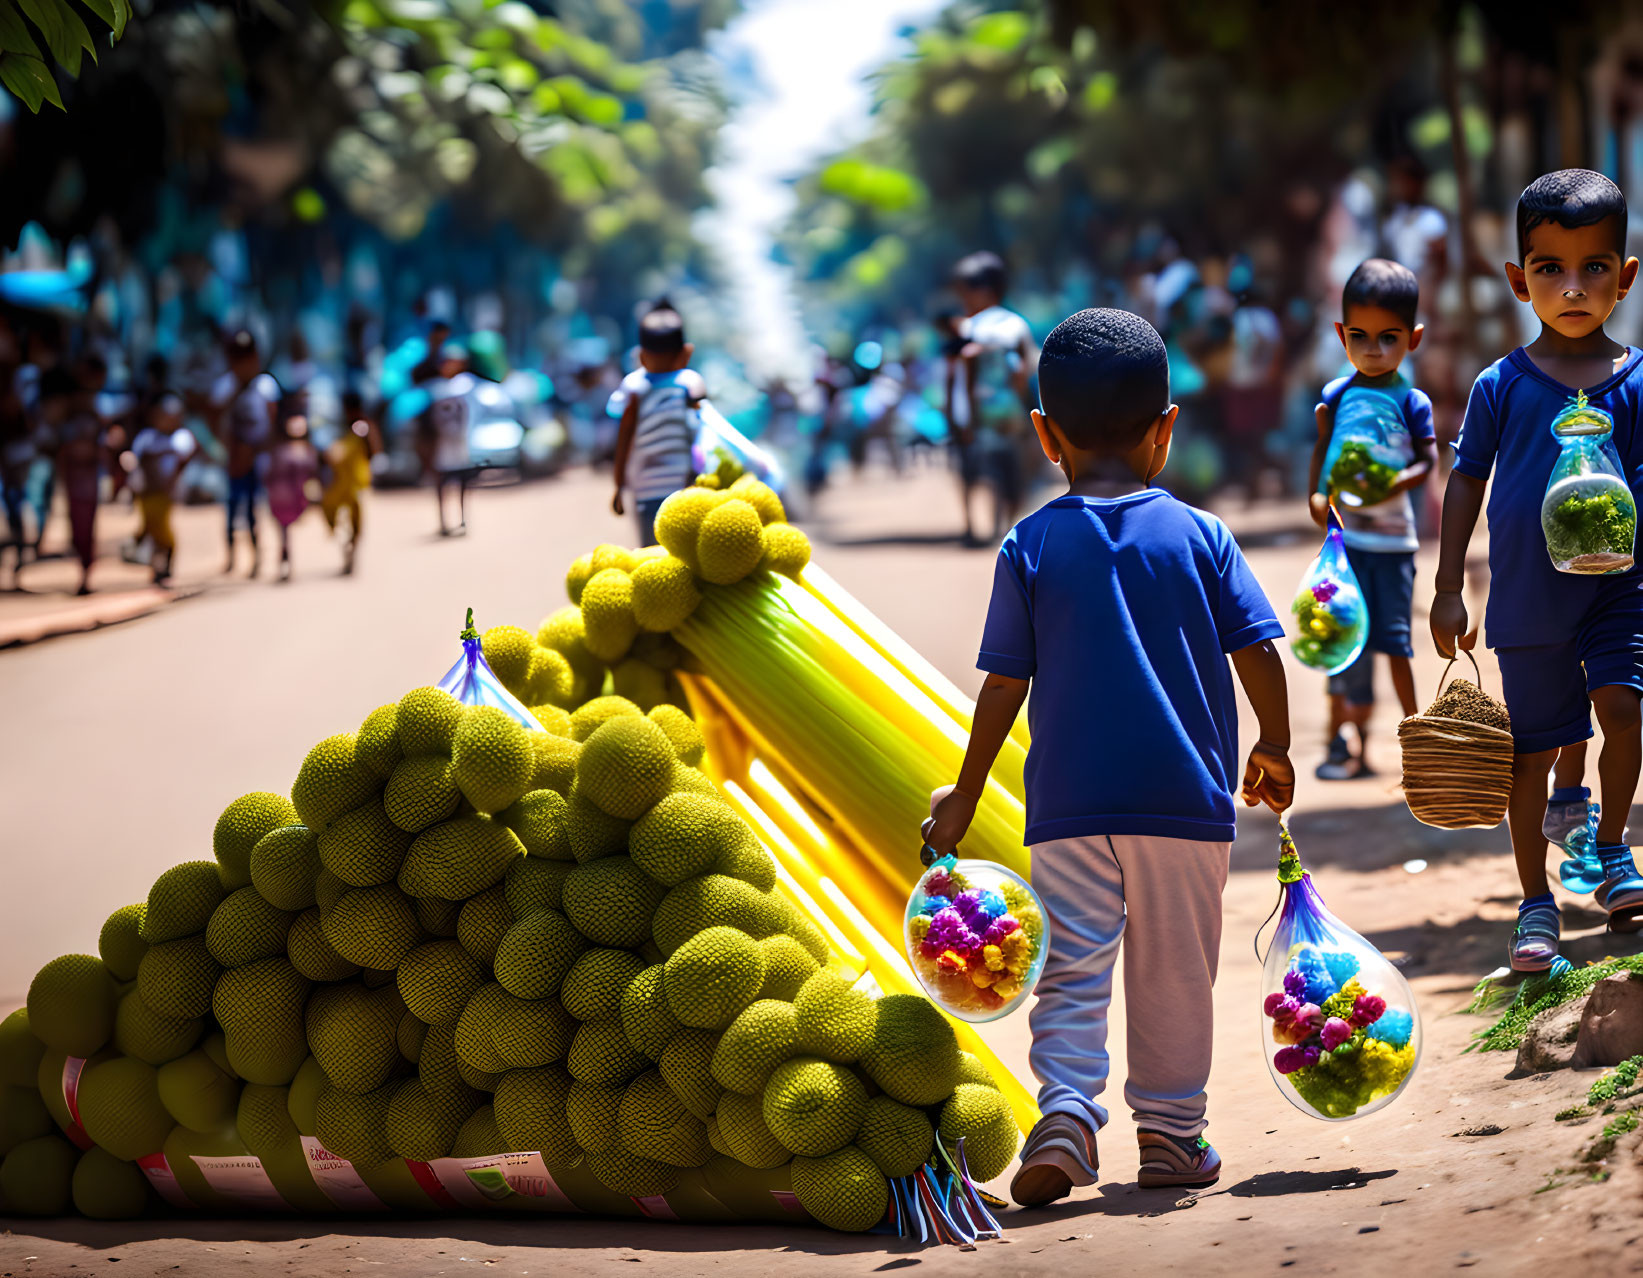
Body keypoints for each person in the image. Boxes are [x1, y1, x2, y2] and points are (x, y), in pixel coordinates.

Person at [923, 308, 1294, 1206]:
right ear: (1166, 430)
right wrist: (1273, 745)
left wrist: (964, 797)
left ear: (1045, 436)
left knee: (1073, 966)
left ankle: (1063, 1114)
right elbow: (1257, 652)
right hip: (1182, 803)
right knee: (1175, 971)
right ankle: (1170, 1133)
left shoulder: (1031, 543)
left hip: (1068, 806)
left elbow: (1002, 687)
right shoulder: (1201, 536)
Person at [1431, 169, 1643, 972]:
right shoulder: (1500, 386)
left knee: (1621, 709)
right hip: (1524, 597)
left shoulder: (1636, 379)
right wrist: (1449, 585)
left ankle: (1614, 851)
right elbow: (1465, 479)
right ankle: (1533, 901)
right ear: (1520, 281)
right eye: (1549, 268)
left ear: (1623, 277)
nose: (1573, 286)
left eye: (1594, 267)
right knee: (1530, 749)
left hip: (1618, 588)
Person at [1307, 259, 1438, 779]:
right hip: (1347, 543)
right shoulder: (1335, 398)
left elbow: (1429, 462)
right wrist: (1318, 497)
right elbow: (1321, 453)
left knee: (1396, 641)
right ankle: (1343, 740)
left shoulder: (1412, 401)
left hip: (1395, 546)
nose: (1373, 350)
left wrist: (1396, 482)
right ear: (1341, 334)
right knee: (1344, 640)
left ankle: (1416, 738)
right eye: (1359, 336)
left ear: (1413, 337)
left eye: (1389, 338)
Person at [951, 252, 1037, 544]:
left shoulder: (968, 328)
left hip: (979, 410)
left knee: (980, 471)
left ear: (984, 291)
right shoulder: (1016, 324)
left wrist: (963, 414)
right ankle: (1008, 526)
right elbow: (1025, 370)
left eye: (966, 293)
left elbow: (961, 375)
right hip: (1010, 410)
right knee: (1013, 470)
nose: (963, 300)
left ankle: (983, 526)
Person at [608, 304, 706, 546]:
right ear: (686, 353)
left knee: (651, 552)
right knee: (686, 552)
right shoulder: (689, 382)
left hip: (644, 489)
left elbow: (624, 436)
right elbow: (704, 422)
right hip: (685, 485)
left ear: (641, 356)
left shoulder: (633, 387)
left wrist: (619, 484)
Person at [209, 330, 279, 577]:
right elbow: (215, 417)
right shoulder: (225, 386)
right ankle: (230, 557)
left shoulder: (266, 385)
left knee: (252, 510)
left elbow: (273, 420)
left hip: (257, 458)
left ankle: (257, 557)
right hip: (233, 459)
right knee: (230, 508)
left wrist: (265, 452)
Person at [39, 368, 103, 595]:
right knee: (77, 531)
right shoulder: (67, 425)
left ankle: (87, 573)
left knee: (87, 530)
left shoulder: (93, 421)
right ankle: (83, 573)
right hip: (74, 486)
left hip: (88, 485)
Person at [129, 392, 195, 585]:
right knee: (152, 525)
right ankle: (155, 564)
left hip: (166, 493)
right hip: (146, 492)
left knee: (161, 527)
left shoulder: (181, 437)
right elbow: (137, 461)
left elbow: (184, 459)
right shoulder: (147, 437)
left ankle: (164, 562)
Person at [420, 342, 477, 536]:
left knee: (462, 481)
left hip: (460, 443)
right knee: (441, 482)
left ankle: (462, 520)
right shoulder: (436, 388)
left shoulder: (466, 385)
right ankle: (443, 521)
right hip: (442, 444)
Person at [322, 391, 374, 575]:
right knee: (351, 522)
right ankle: (350, 551)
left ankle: (350, 553)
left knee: (349, 521)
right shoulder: (354, 428)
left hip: (352, 482)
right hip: (352, 482)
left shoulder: (358, 429)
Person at [264, 401, 317, 583]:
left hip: (285, 497)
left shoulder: (283, 451)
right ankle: (285, 560)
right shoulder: (301, 452)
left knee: (284, 533)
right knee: (284, 533)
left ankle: (285, 561)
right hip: (287, 498)